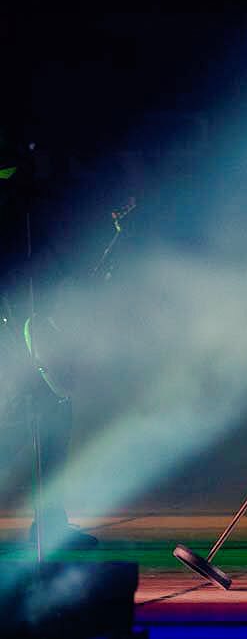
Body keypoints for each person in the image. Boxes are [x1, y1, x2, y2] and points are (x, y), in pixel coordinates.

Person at [0, 131, 98, 550]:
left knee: (54, 421)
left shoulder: (39, 205)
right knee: (22, 425)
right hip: (17, 327)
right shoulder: (17, 201)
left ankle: (51, 522)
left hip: (39, 328)